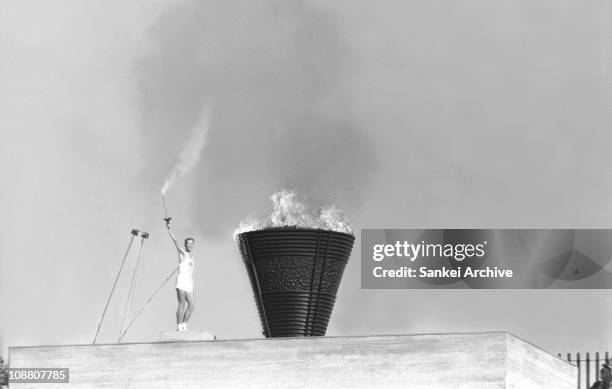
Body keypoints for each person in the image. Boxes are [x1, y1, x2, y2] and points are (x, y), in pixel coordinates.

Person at [165, 219, 195, 332]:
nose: (190, 245)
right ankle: (179, 326)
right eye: (188, 243)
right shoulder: (183, 253)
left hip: (189, 283)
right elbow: (176, 242)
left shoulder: (192, 257)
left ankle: (184, 324)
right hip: (182, 281)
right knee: (182, 303)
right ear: (185, 245)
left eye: (192, 243)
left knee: (191, 305)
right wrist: (169, 228)